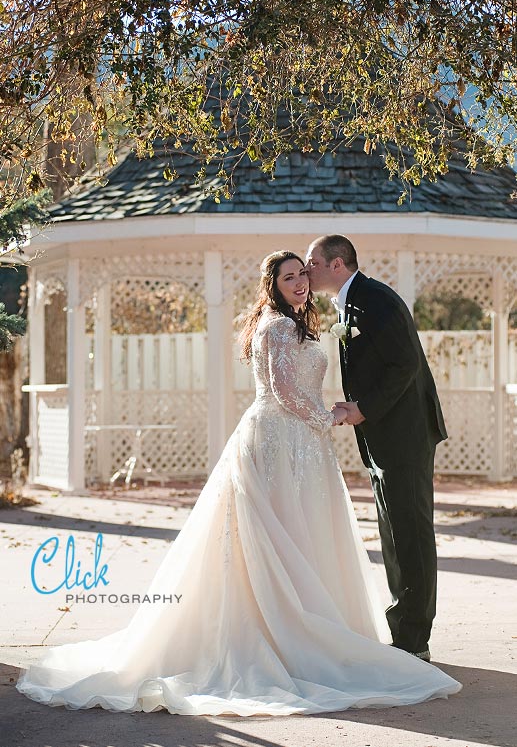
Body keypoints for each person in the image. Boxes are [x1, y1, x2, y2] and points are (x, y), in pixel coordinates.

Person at [16, 250, 461, 717]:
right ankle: (279, 634)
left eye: (303, 275)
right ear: (273, 284)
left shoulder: (302, 321)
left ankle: (320, 623)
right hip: (278, 440)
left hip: (302, 445)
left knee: (302, 534)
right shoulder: (277, 325)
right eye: (290, 277)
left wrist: (331, 416)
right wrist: (330, 417)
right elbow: (285, 392)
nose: (300, 283)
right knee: (275, 534)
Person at [306, 235, 447, 662]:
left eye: (312, 262)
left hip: (403, 434)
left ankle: (414, 639)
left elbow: (405, 363)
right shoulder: (352, 300)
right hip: (384, 436)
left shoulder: (374, 299)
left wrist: (362, 409)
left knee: (411, 533)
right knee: (393, 534)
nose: (307, 270)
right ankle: (403, 630)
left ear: (336, 264)